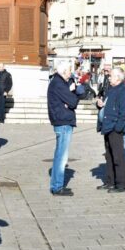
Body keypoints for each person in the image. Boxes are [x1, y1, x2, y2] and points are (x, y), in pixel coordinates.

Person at [96, 67, 125, 193]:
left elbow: (124, 113)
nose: (109, 77)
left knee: (118, 157)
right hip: (107, 126)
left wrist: (118, 128)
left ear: (117, 77)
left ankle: (121, 184)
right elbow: (107, 105)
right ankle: (110, 181)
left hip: (115, 128)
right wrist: (99, 104)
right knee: (109, 156)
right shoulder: (111, 89)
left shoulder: (124, 91)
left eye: (111, 76)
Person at [47, 62, 79, 196]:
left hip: (62, 120)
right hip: (63, 121)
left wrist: (70, 97)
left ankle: (56, 185)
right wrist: (71, 92)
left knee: (59, 154)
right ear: (64, 71)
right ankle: (57, 186)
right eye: (69, 71)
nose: (70, 73)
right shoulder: (59, 83)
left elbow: (71, 102)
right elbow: (73, 101)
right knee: (61, 156)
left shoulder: (57, 82)